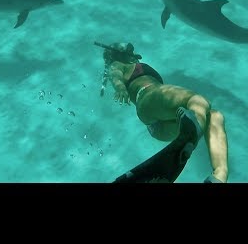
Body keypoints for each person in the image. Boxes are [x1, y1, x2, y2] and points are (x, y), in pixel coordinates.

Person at [95, 41, 229, 183]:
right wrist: (120, 88)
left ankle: (219, 176)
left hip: (158, 126)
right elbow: (115, 76)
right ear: (119, 54)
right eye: (127, 47)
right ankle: (191, 133)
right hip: (146, 98)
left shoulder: (130, 63)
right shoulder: (118, 65)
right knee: (199, 101)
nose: (131, 48)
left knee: (214, 116)